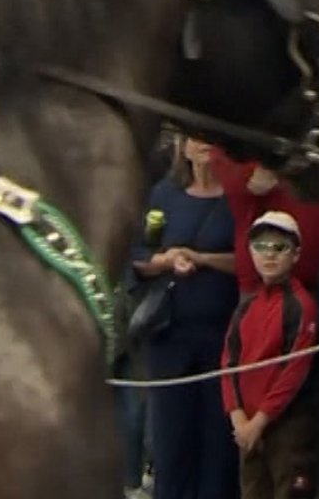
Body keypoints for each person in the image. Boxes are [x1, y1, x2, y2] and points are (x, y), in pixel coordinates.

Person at [132, 139, 240, 499]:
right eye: (196, 138)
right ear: (184, 148)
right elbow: (139, 256)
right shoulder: (163, 196)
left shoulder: (236, 199)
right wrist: (167, 260)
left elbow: (255, 257)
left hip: (222, 339)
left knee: (218, 446)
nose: (206, 145)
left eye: (211, 138)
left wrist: (204, 259)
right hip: (170, 336)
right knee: (171, 443)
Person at [224, 211, 319, 499]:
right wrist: (238, 418)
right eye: (260, 247)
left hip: (287, 429)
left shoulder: (301, 305)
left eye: (279, 247)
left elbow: (295, 371)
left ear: (296, 254)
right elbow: (227, 363)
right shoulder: (247, 305)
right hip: (248, 430)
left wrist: (259, 421)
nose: (269, 255)